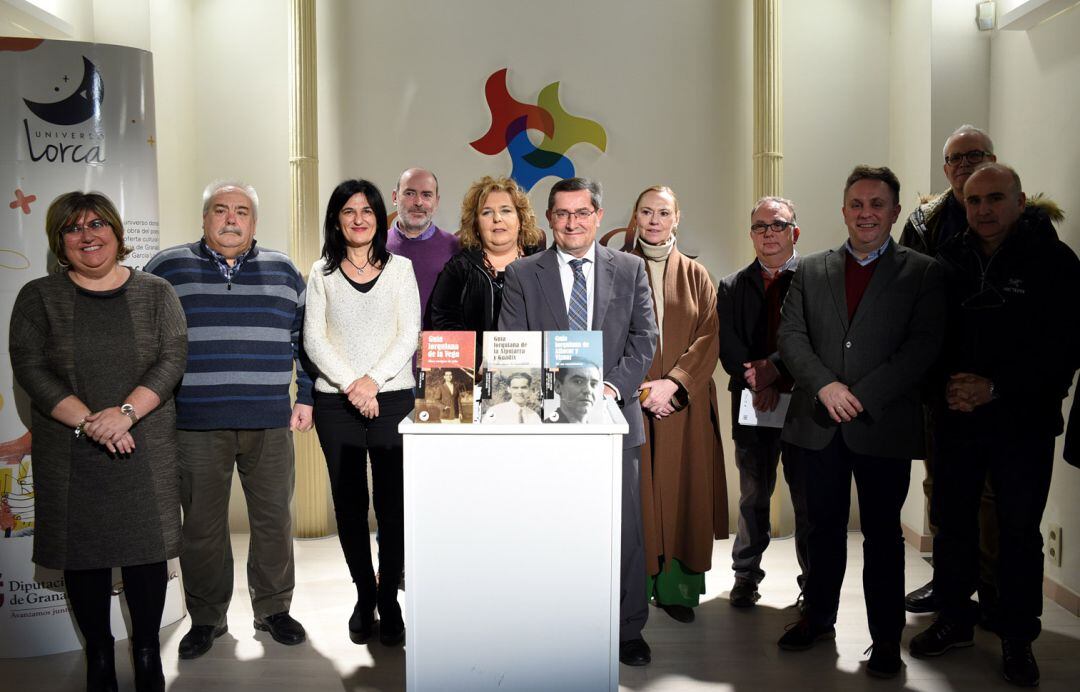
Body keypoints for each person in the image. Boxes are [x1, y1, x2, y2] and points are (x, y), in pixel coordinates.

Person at [909, 163, 1080, 687]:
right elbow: (926, 336)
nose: (983, 209)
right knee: (953, 524)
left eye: (995, 198)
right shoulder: (949, 259)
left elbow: (1066, 349)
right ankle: (956, 620)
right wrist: (946, 390)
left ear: (1021, 200)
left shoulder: (1054, 262)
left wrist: (996, 387)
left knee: (1018, 533)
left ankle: (1016, 636)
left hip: (1022, 425)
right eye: (974, 200)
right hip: (956, 422)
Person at [10, 191, 187, 692]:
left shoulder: (156, 293)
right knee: (82, 556)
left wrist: (125, 414)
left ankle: (148, 654)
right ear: (59, 242)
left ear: (115, 231)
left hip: (145, 444)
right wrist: (93, 422)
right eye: (73, 228)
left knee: (147, 554)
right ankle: (100, 661)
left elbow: (172, 358)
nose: (87, 236)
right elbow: (31, 368)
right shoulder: (38, 297)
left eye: (96, 224)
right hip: (71, 451)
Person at [776, 166, 945, 678]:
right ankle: (818, 619)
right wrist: (825, 386)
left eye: (877, 204)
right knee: (821, 530)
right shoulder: (810, 270)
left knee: (882, 538)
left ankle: (886, 638)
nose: (866, 213)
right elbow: (791, 336)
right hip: (818, 422)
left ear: (894, 211)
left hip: (883, 426)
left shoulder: (923, 272)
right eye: (856, 204)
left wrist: (862, 395)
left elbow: (922, 348)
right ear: (843, 210)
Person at [145, 181, 313, 660]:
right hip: (195, 422)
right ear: (204, 218)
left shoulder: (283, 271)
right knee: (201, 527)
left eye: (241, 211)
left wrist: (306, 398)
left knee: (274, 521)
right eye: (220, 210)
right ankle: (207, 617)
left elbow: (304, 342)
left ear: (254, 222)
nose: (231, 219)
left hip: (268, 420)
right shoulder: (167, 267)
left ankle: (273, 609)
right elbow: (146, 339)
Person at [899, 126, 1062, 617]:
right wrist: (943, 386)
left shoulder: (1041, 244)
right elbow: (914, 307)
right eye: (956, 158)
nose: (965, 164)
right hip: (946, 402)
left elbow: (1054, 339)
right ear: (946, 171)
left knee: (1008, 514)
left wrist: (996, 387)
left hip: (1017, 408)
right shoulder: (931, 230)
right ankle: (953, 596)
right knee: (947, 503)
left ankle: (999, 600)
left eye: (976, 155)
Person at [499, 177, 658, 666]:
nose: (572, 222)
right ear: (549, 219)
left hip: (615, 420)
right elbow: (514, 344)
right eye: (562, 214)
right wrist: (557, 399)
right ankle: (557, 620)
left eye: (582, 212)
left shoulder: (630, 269)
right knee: (550, 524)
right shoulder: (524, 274)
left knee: (625, 529)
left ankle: (628, 628)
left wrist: (606, 390)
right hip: (545, 423)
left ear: (597, 215)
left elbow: (644, 340)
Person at [304, 179, 421, 647]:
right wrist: (354, 386)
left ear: (380, 216)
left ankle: (389, 597)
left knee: (393, 506)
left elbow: (408, 334)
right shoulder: (321, 273)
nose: (359, 218)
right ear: (337, 219)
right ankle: (364, 596)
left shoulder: (401, 269)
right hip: (337, 403)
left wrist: (372, 381)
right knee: (350, 506)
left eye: (367, 210)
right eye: (348, 211)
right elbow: (314, 339)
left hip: (392, 398)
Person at [628, 185, 727, 624]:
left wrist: (674, 384)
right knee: (638, 495)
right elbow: (610, 334)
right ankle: (637, 586)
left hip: (682, 405)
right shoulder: (618, 268)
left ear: (677, 218)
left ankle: (676, 589)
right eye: (646, 211)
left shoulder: (696, 274)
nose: (654, 220)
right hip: (634, 400)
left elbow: (709, 336)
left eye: (663, 212)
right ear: (634, 217)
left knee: (684, 490)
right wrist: (645, 387)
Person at [718, 196, 809, 609]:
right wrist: (757, 379)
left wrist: (775, 371)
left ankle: (815, 581)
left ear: (795, 231)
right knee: (753, 496)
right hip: (752, 405)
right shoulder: (732, 285)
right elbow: (729, 346)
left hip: (805, 404)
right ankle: (745, 576)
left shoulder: (815, 278)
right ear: (751, 233)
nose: (769, 233)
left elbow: (814, 339)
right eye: (760, 226)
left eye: (777, 224)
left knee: (808, 497)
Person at [426, 175, 545, 364]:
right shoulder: (459, 268)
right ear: (476, 224)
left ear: (521, 219)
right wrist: (479, 359)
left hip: (531, 374)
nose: (497, 218)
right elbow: (444, 321)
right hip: (474, 376)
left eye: (506, 211)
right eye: (487, 212)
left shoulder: (543, 264)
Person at [387, 167, 460, 324]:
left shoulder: (457, 249)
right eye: (410, 193)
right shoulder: (375, 247)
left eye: (426, 195)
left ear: (436, 201)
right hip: (387, 347)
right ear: (395, 197)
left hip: (440, 346)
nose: (418, 202)